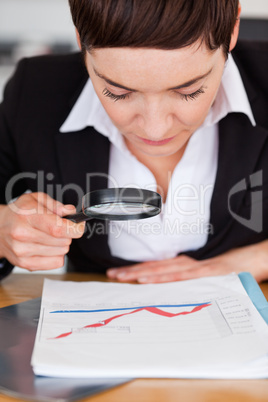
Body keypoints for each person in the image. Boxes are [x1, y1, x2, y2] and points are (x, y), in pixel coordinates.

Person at [0, 0, 268, 283]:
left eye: (189, 90)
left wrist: (255, 260)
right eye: (117, 92)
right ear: (80, 38)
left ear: (232, 30)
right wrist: (3, 227)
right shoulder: (34, 91)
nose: (154, 130)